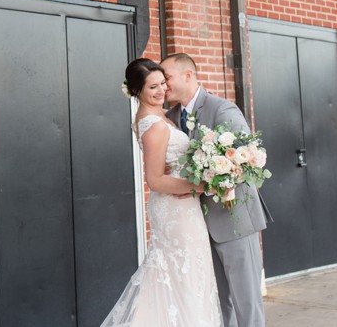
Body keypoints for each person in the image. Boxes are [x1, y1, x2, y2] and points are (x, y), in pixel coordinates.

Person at [100, 58, 222, 327]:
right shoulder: (154, 124)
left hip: (180, 206)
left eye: (162, 84)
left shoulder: (157, 116)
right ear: (137, 91)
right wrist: (200, 185)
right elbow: (155, 180)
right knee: (184, 277)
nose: (160, 91)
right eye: (152, 87)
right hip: (176, 211)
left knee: (184, 277)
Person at [160, 53, 269, 327]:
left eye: (167, 78)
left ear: (188, 75)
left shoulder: (222, 109)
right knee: (217, 303)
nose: (163, 85)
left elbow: (247, 160)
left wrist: (204, 182)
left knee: (246, 302)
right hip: (196, 226)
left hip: (234, 221)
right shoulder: (170, 118)